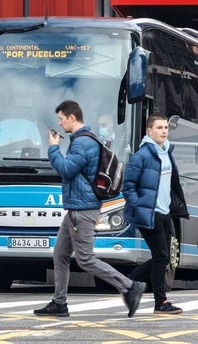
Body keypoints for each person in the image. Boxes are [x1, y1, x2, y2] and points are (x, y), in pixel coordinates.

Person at [34, 100, 146, 318]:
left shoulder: (82, 143)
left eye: (61, 118)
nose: (60, 122)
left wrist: (53, 148)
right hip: (77, 208)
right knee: (60, 254)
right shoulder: (85, 140)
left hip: (82, 209)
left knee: (85, 258)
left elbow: (66, 169)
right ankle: (59, 303)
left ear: (72, 118)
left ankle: (129, 286)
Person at [123, 114, 189, 315]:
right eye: (159, 127)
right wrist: (140, 207)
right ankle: (160, 302)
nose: (164, 131)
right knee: (161, 257)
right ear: (149, 131)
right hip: (149, 214)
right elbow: (128, 187)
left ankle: (128, 283)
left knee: (164, 257)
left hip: (165, 213)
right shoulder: (141, 156)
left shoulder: (167, 152)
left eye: (166, 128)